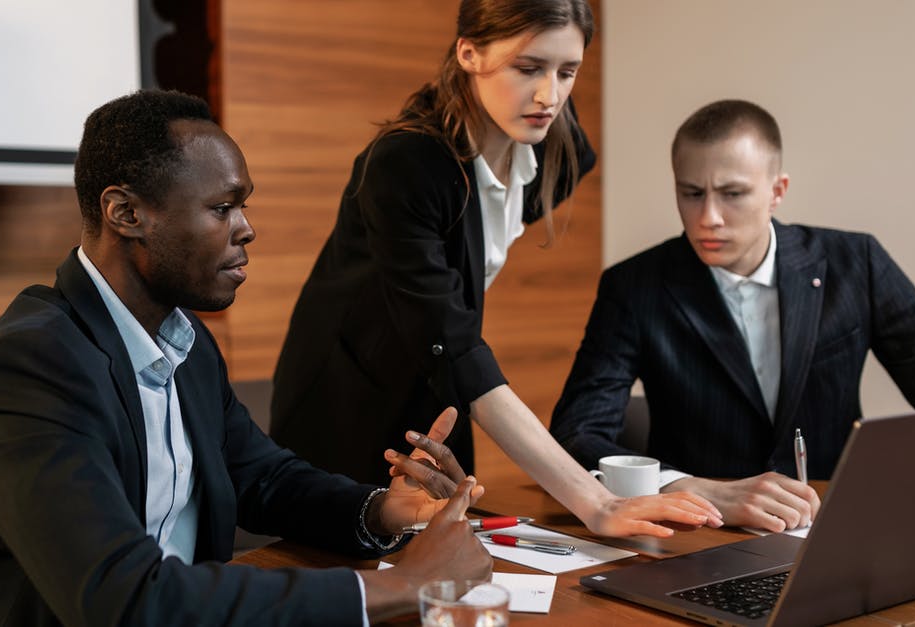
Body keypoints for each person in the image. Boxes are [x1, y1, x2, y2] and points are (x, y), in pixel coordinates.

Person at [0, 89, 496, 626]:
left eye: (242, 206)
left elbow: (263, 479)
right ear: (126, 214)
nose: (246, 229)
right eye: (222, 207)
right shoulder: (33, 366)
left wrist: (382, 510)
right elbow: (120, 602)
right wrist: (402, 585)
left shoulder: (186, 343)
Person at [270, 0, 723, 538]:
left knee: (448, 566)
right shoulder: (407, 167)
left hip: (437, 393)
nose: (549, 95)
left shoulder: (551, 144)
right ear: (470, 52)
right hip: (346, 405)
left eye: (567, 71)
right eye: (527, 68)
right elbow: (457, 347)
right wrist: (596, 503)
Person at [549, 98, 915, 532]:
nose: (709, 218)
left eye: (733, 193)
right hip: (694, 538)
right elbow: (577, 433)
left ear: (777, 191)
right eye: (691, 193)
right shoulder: (633, 286)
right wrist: (686, 487)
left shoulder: (858, 263)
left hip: (834, 530)